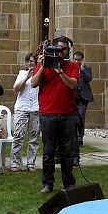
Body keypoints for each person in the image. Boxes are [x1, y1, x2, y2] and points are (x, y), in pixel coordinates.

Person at [30, 36, 79, 193]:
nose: (61, 52)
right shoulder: (43, 64)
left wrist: (60, 71)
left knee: (67, 152)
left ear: (68, 50)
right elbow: (33, 83)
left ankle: (69, 182)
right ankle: (47, 183)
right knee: (48, 152)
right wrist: (43, 66)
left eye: (64, 49)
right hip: (48, 113)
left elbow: (72, 84)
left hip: (67, 113)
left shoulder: (72, 65)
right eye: (58, 48)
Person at [11, 52, 40, 172]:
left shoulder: (40, 74)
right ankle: (15, 162)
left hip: (36, 108)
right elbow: (15, 88)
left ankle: (31, 163)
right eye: (27, 61)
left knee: (34, 137)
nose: (29, 64)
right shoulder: (22, 73)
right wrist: (27, 76)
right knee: (18, 136)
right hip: (22, 109)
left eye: (31, 61)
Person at [72, 50, 93, 165]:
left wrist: (83, 69)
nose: (77, 61)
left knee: (81, 117)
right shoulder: (71, 67)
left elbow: (89, 79)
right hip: (74, 98)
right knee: (74, 119)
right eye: (75, 59)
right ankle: (75, 136)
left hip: (83, 99)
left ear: (82, 60)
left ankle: (80, 136)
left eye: (78, 59)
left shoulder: (86, 68)